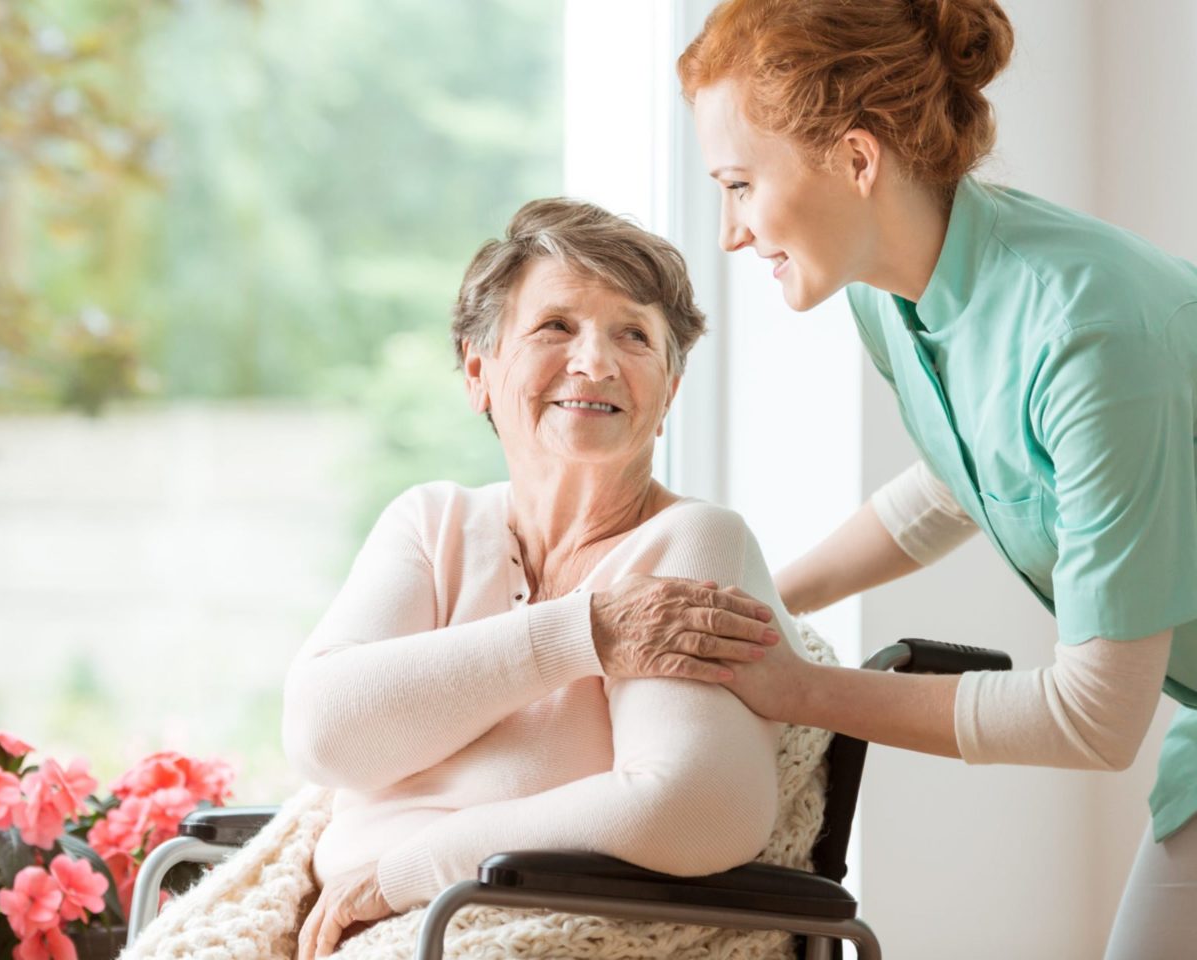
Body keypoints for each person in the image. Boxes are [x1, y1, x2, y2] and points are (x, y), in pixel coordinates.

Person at [671, 0, 1197, 955]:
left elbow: (1094, 717)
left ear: (857, 160)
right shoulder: (895, 295)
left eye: (741, 184)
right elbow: (967, 477)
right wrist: (756, 606)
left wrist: (796, 689)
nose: (731, 233)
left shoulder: (1089, 336)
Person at [281, 198, 800, 959]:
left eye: (635, 335)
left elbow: (693, 808)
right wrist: (581, 636)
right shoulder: (432, 524)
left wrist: (409, 873)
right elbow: (324, 736)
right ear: (478, 370)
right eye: (556, 327)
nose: (595, 362)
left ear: (668, 394)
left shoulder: (693, 542)